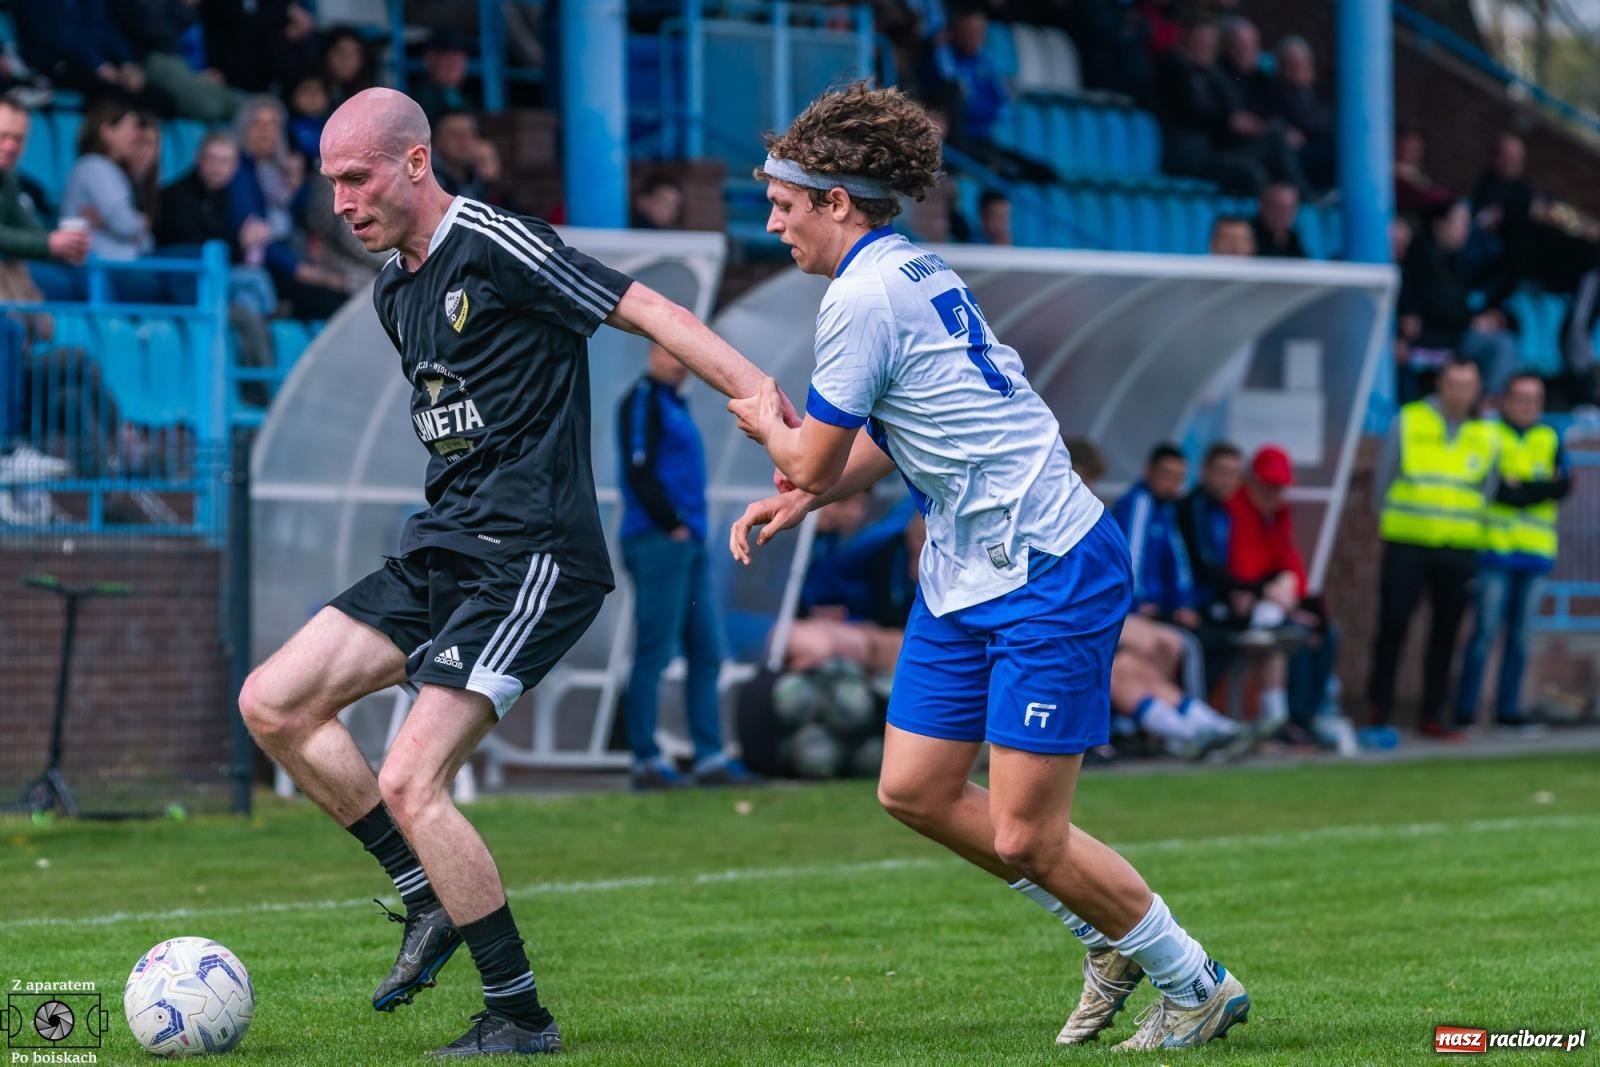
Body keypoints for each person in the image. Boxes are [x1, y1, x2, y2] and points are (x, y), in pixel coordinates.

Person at [238, 87, 779, 1058]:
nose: (341, 202)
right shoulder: (393, 291)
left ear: (414, 162)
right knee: (274, 702)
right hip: (445, 545)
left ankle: (518, 1015)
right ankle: (425, 898)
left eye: (356, 177)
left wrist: (757, 394)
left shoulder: (495, 242)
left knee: (411, 774)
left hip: (533, 555)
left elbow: (643, 306)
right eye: (329, 185)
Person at [727, 81, 1250, 1051]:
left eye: (783, 201)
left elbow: (809, 446)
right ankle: (1106, 931)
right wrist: (809, 493)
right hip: (968, 571)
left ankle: (1194, 979)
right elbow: (900, 432)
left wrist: (767, 421)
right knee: (913, 788)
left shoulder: (863, 295)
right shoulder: (907, 271)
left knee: (1023, 835)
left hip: (1047, 565)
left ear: (837, 200)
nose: (772, 220)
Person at [617, 343, 763, 790]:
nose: (677, 362)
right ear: (650, 354)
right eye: (667, 352)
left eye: (682, 354)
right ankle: (645, 759)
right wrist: (671, 525)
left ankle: (710, 756)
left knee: (708, 650)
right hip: (660, 542)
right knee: (654, 651)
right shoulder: (643, 399)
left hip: (688, 543)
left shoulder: (676, 404)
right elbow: (639, 470)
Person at [1367, 357, 1497, 743]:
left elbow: (1486, 491)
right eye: (1453, 384)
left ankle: (1433, 715)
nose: (1460, 392)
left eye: (1467, 385)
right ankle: (1380, 711)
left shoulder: (1487, 433)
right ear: (1440, 384)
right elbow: (1382, 481)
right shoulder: (1410, 419)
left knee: (1446, 634)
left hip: (1458, 547)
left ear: (1476, 389)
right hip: (1408, 542)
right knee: (1393, 626)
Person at [1454, 373, 1569, 733]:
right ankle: (1465, 710)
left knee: (1521, 637)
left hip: (1535, 554)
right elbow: (1496, 489)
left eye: (1535, 399)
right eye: (1521, 398)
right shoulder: (1489, 434)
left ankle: (1507, 710)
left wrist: (1525, 487)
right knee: (1484, 634)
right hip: (1496, 551)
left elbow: (1562, 485)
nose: (1528, 406)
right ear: (1504, 399)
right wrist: (1535, 488)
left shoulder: (1549, 436)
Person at [1111, 443, 1201, 628]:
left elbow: (1178, 558)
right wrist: (1136, 602)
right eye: (1167, 475)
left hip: (1161, 606)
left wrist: (1183, 603)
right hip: (1136, 607)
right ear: (1148, 472)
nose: (1172, 484)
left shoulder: (1167, 508)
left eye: (1178, 477)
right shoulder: (1139, 503)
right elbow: (1131, 555)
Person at [1251, 182, 1306, 259]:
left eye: (1288, 209)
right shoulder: (1248, 235)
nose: (1283, 214)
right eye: (1278, 208)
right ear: (1263, 206)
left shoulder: (1292, 238)